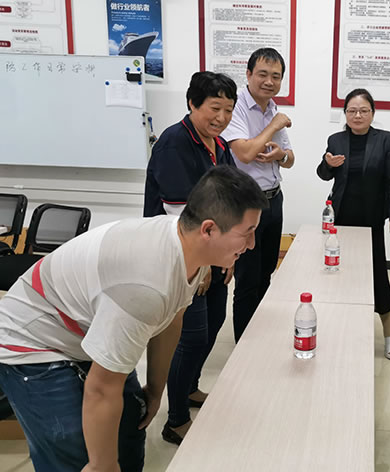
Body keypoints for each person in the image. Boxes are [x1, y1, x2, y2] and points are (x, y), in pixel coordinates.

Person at [0, 166, 268, 472]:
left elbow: (172, 319)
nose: (251, 244)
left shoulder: (191, 247)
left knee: (130, 427)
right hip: (32, 339)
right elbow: (102, 389)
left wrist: (155, 391)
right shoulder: (145, 285)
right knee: (77, 451)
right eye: (247, 232)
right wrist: (102, 465)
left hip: (85, 327)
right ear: (208, 230)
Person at [144, 71, 238, 444]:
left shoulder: (220, 146)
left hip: (212, 255)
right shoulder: (174, 143)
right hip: (181, 258)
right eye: (214, 108)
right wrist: (204, 264)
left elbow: (230, 202)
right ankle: (176, 419)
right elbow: (179, 213)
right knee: (192, 336)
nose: (221, 117)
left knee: (214, 323)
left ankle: (191, 386)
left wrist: (229, 255)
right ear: (192, 103)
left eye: (228, 110)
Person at [316, 88, 390, 359]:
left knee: (377, 274)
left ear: (372, 113)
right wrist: (328, 165)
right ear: (345, 114)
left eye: (363, 110)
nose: (357, 115)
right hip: (341, 219)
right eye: (352, 111)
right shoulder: (336, 139)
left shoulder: (385, 140)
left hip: (371, 218)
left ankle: (389, 333)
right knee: (340, 273)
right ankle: (344, 325)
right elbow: (323, 174)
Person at [221, 47, 295, 342]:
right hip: (245, 204)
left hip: (274, 199)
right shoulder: (237, 106)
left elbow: (290, 158)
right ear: (248, 74)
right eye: (263, 74)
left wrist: (281, 155)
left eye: (276, 76)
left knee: (266, 273)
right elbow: (245, 152)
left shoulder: (272, 107)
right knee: (247, 278)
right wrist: (274, 125)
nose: (269, 81)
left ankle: (259, 335)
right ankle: (244, 344)